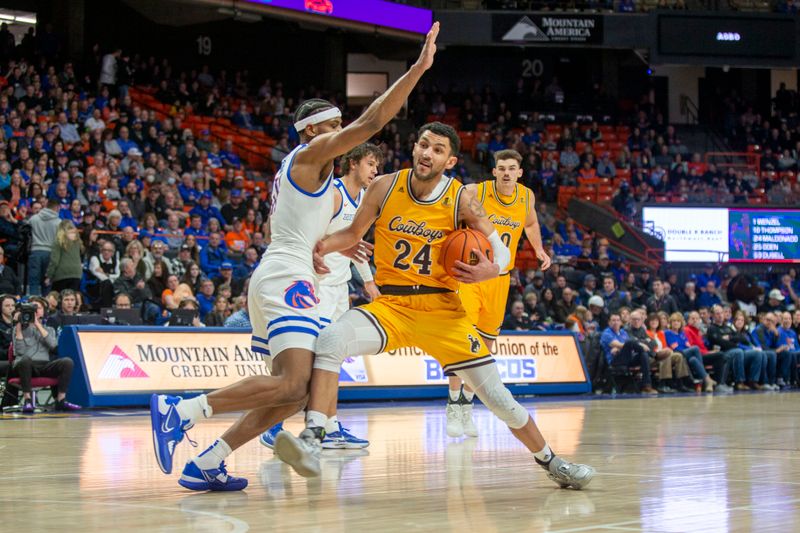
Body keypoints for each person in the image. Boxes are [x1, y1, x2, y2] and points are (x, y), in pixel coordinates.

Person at [148, 23, 442, 492]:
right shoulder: (310, 155)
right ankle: (180, 411)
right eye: (330, 128)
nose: (339, 135)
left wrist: (323, 248)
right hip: (286, 274)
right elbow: (370, 124)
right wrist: (418, 69)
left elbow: (307, 229)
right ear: (312, 132)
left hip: (286, 270)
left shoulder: (305, 171)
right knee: (292, 385)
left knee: (298, 391)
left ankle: (209, 460)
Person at [278, 120, 594, 489]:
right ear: (415, 147)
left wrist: (490, 270)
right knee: (331, 340)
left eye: (438, 149)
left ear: (450, 161)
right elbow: (351, 234)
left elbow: (505, 252)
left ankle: (553, 462)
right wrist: (319, 247)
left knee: (498, 398)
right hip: (393, 305)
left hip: (444, 312)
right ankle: (314, 437)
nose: (428, 153)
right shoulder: (383, 185)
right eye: (424, 145)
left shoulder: (462, 198)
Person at [258, 143, 383, 450]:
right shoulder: (334, 194)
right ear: (352, 163)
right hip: (316, 286)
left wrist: (368, 283)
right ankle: (275, 424)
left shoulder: (364, 200)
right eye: (370, 163)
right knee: (308, 361)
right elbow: (308, 237)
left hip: (340, 289)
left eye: (376, 166)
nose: (374, 171)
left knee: (331, 358)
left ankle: (329, 424)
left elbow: (356, 247)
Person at [444, 148, 551, 438]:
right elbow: (450, 197)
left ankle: (466, 405)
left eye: (511, 168)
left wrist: (538, 248)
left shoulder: (526, 196)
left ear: (519, 172)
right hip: (471, 275)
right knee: (463, 339)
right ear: (494, 171)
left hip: (500, 279)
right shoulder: (476, 191)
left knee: (486, 345)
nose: (506, 172)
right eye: (501, 167)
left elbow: (530, 223)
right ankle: (453, 405)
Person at [11, 297, 81, 413]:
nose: (35, 310)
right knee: (25, 359)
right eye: (32, 308)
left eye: (37, 308)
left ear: (43, 311)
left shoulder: (49, 330)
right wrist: (18, 326)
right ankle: (28, 400)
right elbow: (20, 352)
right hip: (25, 366)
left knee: (67, 361)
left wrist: (38, 325)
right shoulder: (18, 329)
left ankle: (60, 400)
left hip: (44, 365)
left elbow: (54, 346)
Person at [706, 304, 761, 391]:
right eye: (717, 313)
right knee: (738, 351)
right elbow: (722, 343)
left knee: (757, 354)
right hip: (723, 353)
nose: (720, 315)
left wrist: (730, 338)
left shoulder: (727, 327)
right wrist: (734, 343)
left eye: (721, 313)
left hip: (736, 351)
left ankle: (753, 381)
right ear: (712, 315)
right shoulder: (712, 329)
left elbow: (742, 338)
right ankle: (739, 382)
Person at [601, 312, 658, 394]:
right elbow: (619, 344)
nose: (616, 322)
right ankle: (652, 354)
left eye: (618, 320)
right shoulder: (606, 333)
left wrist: (621, 347)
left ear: (621, 322)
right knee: (630, 343)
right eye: (613, 320)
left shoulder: (623, 333)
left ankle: (647, 386)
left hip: (627, 358)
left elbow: (624, 347)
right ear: (609, 322)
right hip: (615, 361)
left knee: (643, 355)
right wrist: (639, 344)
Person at [28, 198, 61, 295]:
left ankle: (32, 306)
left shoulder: (33, 218)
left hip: (35, 252)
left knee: (33, 282)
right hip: (50, 254)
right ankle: (46, 306)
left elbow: (26, 234)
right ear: (57, 208)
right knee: (47, 283)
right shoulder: (59, 222)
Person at [45, 220, 84, 293]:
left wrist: (49, 276)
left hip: (61, 275)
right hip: (77, 274)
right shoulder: (77, 242)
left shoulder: (58, 242)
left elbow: (54, 261)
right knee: (72, 299)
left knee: (60, 299)